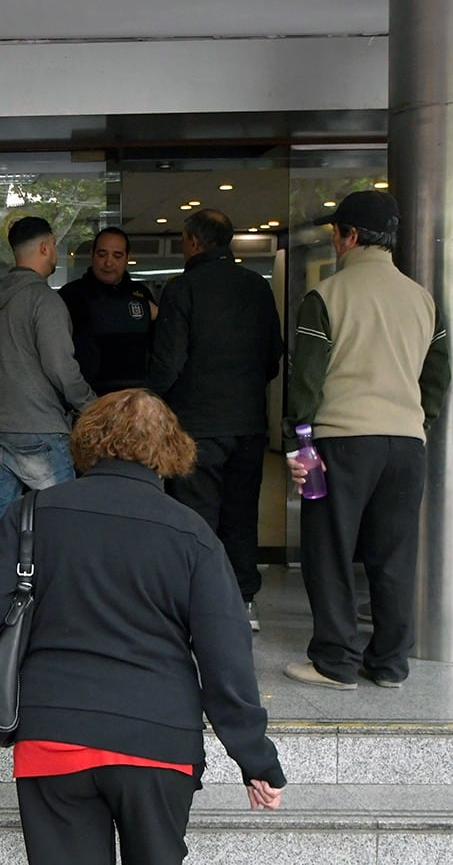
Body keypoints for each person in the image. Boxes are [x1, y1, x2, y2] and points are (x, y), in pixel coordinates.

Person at [0, 389, 285, 865]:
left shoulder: (32, 515)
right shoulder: (193, 535)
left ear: (88, 440)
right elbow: (227, 661)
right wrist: (254, 757)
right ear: (171, 449)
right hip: (157, 743)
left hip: (54, 734)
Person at [284, 190, 450, 690]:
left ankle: (334, 662)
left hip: (343, 441)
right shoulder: (424, 300)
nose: (334, 242)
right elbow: (437, 377)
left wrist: (299, 442)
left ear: (349, 236)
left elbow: (306, 381)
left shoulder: (328, 296)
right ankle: (389, 664)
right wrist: (417, 423)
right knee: (393, 555)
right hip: (406, 444)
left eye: (336, 233)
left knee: (330, 550)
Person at [148, 208, 282, 632]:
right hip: (248, 422)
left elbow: (169, 362)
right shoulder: (257, 288)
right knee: (241, 513)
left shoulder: (182, 289)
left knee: (195, 514)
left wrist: (152, 398)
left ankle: (196, 603)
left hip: (196, 424)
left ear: (192, 241)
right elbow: (273, 357)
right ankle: (243, 600)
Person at [0, 216, 94, 551]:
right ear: (46, 246)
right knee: (61, 512)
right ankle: (64, 587)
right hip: (37, 424)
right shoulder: (44, 300)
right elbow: (60, 367)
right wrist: (92, 406)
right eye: (54, 246)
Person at [58, 226, 156, 395]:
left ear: (127, 258)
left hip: (136, 398)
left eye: (117, 256)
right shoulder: (71, 295)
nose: (108, 262)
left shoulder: (141, 294)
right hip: (88, 399)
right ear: (92, 255)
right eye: (102, 255)